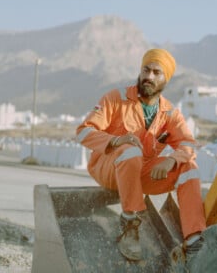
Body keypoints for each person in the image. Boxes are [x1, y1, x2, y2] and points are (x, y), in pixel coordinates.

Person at [75, 48, 205, 261]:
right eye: (146, 70)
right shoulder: (116, 98)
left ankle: (193, 240)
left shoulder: (170, 113)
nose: (149, 77)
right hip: (109, 167)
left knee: (188, 167)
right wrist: (115, 141)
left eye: (156, 73)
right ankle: (130, 222)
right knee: (130, 150)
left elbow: (188, 144)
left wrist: (172, 159)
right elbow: (83, 131)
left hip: (141, 172)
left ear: (165, 80)